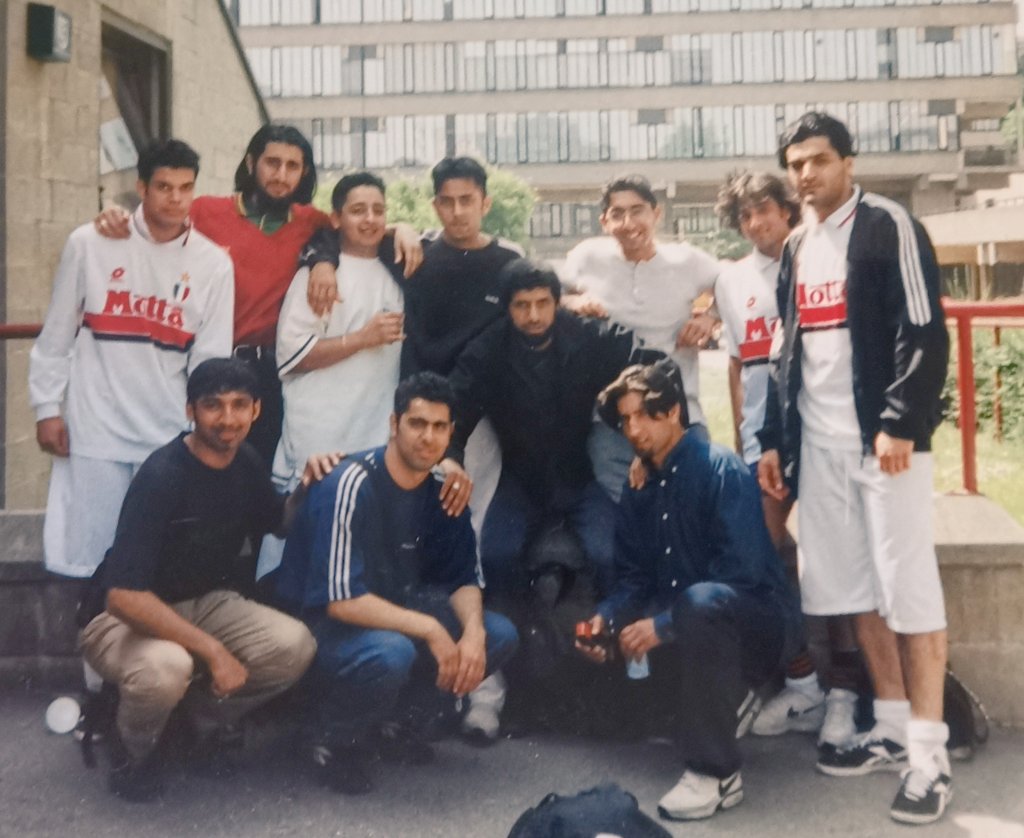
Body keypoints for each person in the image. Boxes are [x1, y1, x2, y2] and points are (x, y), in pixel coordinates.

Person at [758, 111, 952, 825]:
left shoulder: (887, 225)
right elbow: (788, 355)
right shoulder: (798, 244)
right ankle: (894, 728)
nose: (806, 174)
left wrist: (900, 421)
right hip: (822, 447)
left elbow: (924, 330)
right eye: (796, 163)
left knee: (912, 594)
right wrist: (778, 439)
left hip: (884, 446)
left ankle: (930, 758)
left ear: (846, 161)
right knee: (857, 595)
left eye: (818, 160)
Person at [79, 358, 336, 801]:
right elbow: (122, 596)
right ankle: (134, 750)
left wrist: (307, 487)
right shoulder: (162, 475)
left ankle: (187, 725)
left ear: (257, 410)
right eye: (213, 405)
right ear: (190, 411)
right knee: (166, 667)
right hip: (119, 615)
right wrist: (214, 652)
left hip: (202, 602)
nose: (228, 418)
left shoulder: (246, 460)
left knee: (295, 646)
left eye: (240, 405)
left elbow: (280, 523)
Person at [94, 124, 421, 467]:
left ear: (304, 172)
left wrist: (403, 230)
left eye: (292, 166)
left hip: (273, 373)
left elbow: (355, 227)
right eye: (272, 163)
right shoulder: (205, 212)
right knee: (206, 471)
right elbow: (155, 225)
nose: (281, 175)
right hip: (213, 364)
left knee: (261, 475)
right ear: (251, 163)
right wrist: (115, 216)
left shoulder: (311, 222)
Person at [275, 372, 519, 794]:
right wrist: (431, 628)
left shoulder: (446, 486)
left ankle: (396, 726)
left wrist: (474, 635)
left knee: (497, 634)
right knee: (392, 651)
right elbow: (341, 602)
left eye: (440, 427)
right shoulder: (351, 482)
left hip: (391, 611)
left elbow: (463, 577)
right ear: (393, 425)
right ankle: (332, 739)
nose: (428, 437)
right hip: (324, 625)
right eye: (417, 424)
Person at [577, 360, 798, 822]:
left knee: (699, 603)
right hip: (693, 626)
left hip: (756, 627)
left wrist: (662, 625)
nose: (632, 429)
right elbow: (634, 577)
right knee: (617, 704)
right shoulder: (640, 484)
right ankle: (716, 709)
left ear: (674, 410)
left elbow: (742, 575)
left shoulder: (721, 469)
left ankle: (716, 775)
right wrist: (607, 619)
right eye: (625, 420)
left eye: (643, 415)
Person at [30, 138, 233, 585]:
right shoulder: (89, 243)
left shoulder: (214, 264)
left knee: (158, 568)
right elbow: (57, 334)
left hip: (166, 433)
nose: (175, 198)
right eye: (164, 186)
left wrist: (204, 429)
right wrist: (47, 408)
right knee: (91, 563)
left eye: (185, 187)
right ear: (141, 187)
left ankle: (157, 657)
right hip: (94, 429)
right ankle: (94, 656)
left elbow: (211, 362)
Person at [714, 171, 863, 751]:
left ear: (787, 210)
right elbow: (737, 364)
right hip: (763, 444)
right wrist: (741, 437)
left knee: (834, 564)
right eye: (746, 215)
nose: (757, 223)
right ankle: (803, 680)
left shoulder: (821, 260)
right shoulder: (731, 279)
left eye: (766, 211)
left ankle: (847, 693)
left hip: (824, 434)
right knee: (759, 560)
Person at [448, 258, 661, 602]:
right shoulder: (489, 349)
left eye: (542, 303)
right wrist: (452, 456)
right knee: (494, 557)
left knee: (609, 555)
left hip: (580, 477)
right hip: (520, 481)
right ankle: (518, 645)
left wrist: (646, 449)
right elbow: (454, 401)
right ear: (507, 308)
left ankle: (616, 643)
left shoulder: (588, 334)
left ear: (557, 302)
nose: (533, 315)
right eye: (522, 305)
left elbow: (655, 366)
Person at [256, 171, 407, 580]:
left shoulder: (397, 270)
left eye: (378, 210)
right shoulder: (317, 275)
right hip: (318, 431)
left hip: (373, 429)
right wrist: (361, 338)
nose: (370, 219)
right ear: (336, 218)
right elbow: (291, 357)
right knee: (300, 537)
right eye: (358, 210)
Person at [560, 174, 720, 502]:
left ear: (656, 214)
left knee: (691, 508)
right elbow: (548, 295)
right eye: (617, 214)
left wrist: (710, 316)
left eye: (638, 211)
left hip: (678, 413)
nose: (628, 222)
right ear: (604, 221)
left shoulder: (687, 261)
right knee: (627, 513)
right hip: (612, 419)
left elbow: (733, 284)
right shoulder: (587, 257)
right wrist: (573, 302)